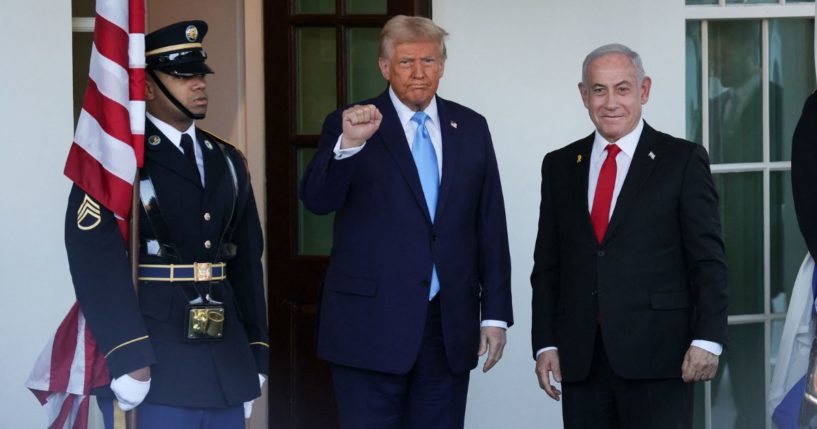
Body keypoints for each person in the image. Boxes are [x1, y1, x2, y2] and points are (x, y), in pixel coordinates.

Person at [300, 14, 513, 429]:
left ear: (443, 65)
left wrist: (495, 314)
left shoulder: (470, 127)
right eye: (406, 62)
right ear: (384, 67)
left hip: (447, 325)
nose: (419, 73)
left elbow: (490, 223)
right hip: (369, 328)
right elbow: (317, 201)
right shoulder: (351, 123)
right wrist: (348, 146)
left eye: (429, 61)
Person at [65, 20, 268, 428]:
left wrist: (256, 350)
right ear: (148, 86)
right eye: (182, 75)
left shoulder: (227, 160)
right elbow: (95, 259)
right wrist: (129, 355)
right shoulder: (120, 163)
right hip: (155, 356)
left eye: (200, 74)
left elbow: (246, 261)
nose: (198, 84)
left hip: (225, 360)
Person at [530, 43, 728, 428]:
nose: (610, 102)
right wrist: (546, 342)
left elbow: (708, 260)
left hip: (660, 356)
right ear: (583, 95)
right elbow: (548, 265)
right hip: (582, 358)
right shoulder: (559, 166)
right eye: (599, 90)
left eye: (622, 88)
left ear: (644, 90)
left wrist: (708, 339)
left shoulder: (682, 160)